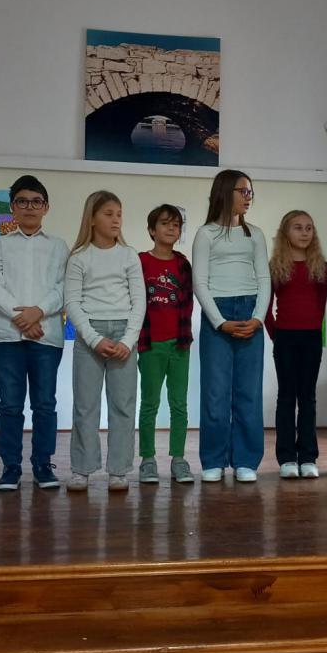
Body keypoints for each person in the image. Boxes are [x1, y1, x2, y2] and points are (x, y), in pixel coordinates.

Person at [0, 175, 69, 491]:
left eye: (36, 201)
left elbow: (64, 287)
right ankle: (11, 468)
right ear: (12, 208)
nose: (29, 207)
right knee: (10, 405)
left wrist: (38, 312)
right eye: (22, 201)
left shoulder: (59, 246)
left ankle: (43, 465)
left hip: (46, 335)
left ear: (46, 207)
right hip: (7, 336)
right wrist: (22, 317)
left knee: (44, 404)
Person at [192, 169, 271, 482]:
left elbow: (264, 279)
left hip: (250, 313)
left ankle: (245, 461)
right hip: (218, 316)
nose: (248, 197)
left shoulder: (256, 235)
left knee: (248, 392)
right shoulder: (205, 234)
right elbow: (200, 283)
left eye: (251, 192)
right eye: (243, 191)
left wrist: (258, 318)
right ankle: (213, 460)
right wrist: (220, 322)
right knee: (215, 393)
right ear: (225, 192)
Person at [64, 190, 145, 493]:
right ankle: (82, 469)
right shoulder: (78, 258)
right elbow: (72, 303)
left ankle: (119, 470)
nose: (116, 220)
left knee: (123, 405)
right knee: (85, 406)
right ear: (92, 219)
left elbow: (139, 301)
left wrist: (128, 340)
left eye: (119, 214)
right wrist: (94, 338)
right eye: (109, 214)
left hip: (124, 333)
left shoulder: (129, 255)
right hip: (90, 336)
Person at [265, 210, 327, 479]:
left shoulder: (320, 266)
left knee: (308, 398)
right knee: (287, 397)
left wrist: (313, 329)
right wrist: (276, 334)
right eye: (298, 227)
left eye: (309, 228)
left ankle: (308, 457)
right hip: (285, 338)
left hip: (310, 337)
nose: (304, 232)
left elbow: (321, 304)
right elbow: (266, 306)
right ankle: (287, 458)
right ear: (285, 233)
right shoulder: (275, 266)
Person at [137, 204, 194, 485]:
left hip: (179, 345)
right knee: (149, 403)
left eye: (176, 224)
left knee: (179, 404)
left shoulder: (183, 264)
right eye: (164, 223)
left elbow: (188, 303)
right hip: (150, 346)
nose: (171, 228)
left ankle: (178, 459)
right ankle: (147, 459)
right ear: (151, 230)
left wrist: (183, 339)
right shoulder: (140, 262)